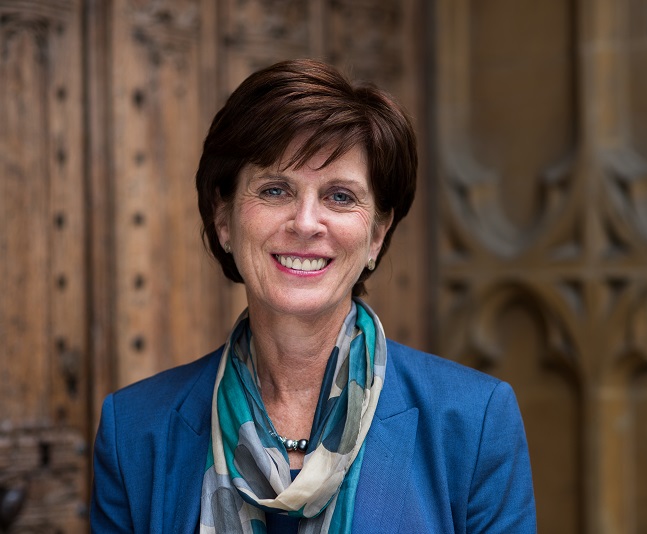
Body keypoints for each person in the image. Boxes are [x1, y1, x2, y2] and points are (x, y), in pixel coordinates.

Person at [90, 58, 536, 533]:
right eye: (275, 190)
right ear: (224, 221)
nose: (305, 223)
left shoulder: (473, 423)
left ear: (377, 236)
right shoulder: (135, 431)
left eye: (340, 196)